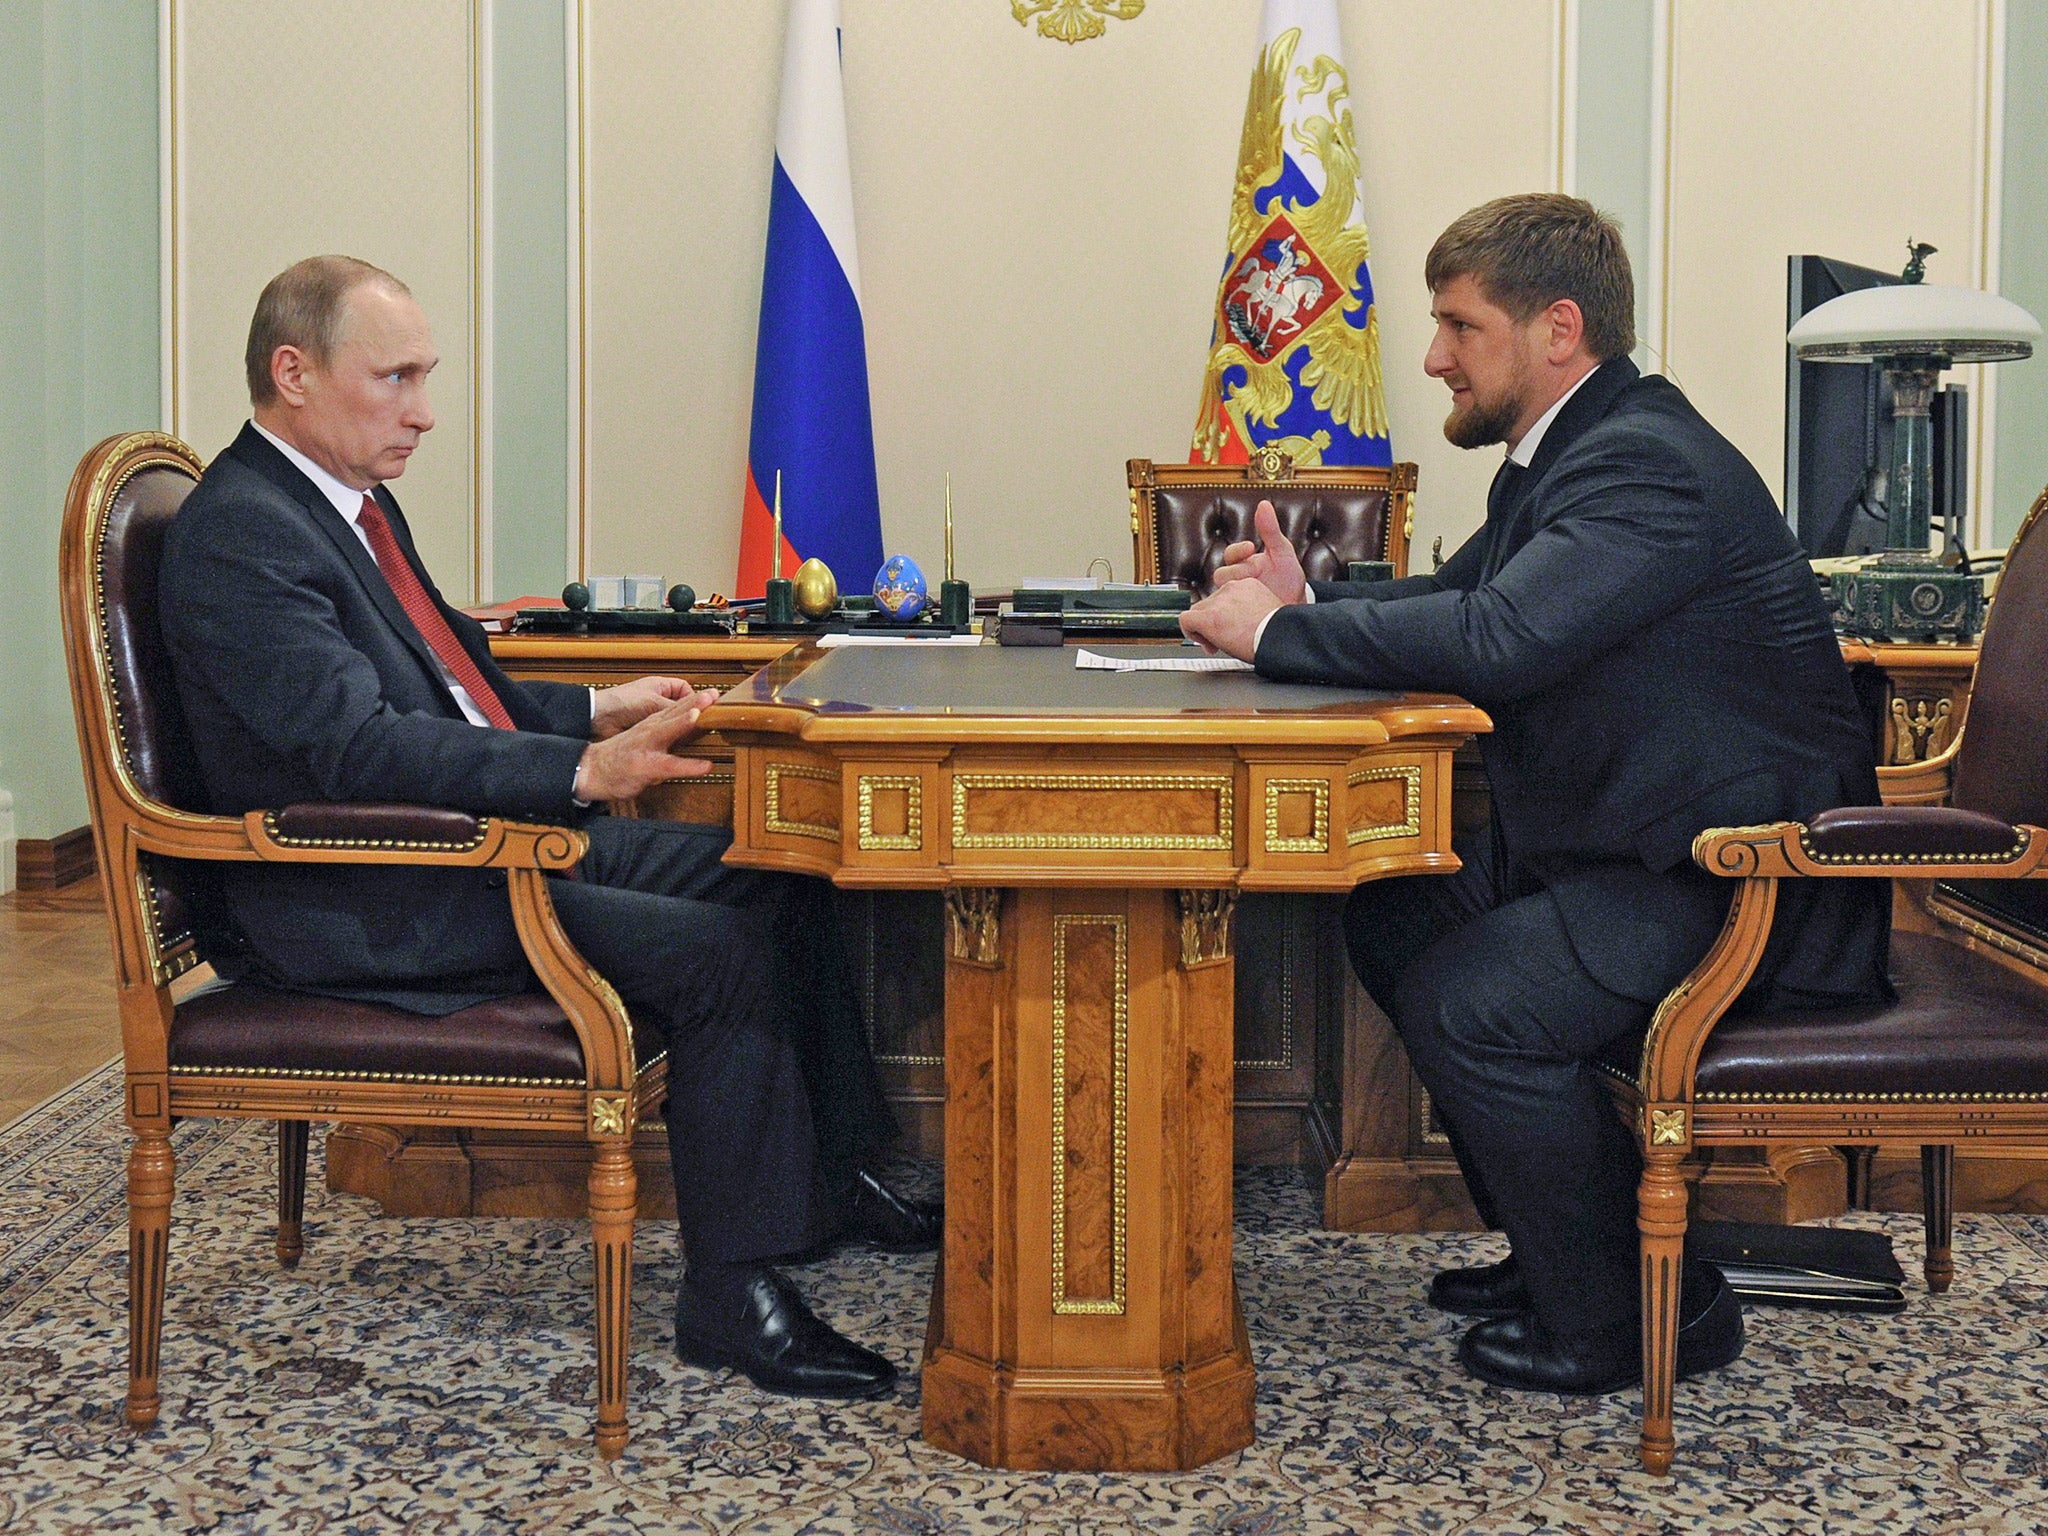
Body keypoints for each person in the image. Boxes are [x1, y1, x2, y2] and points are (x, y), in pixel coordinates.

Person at [159, 255, 940, 1403]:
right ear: (294, 373)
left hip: (457, 846)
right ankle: (733, 1294)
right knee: (717, 956)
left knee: (777, 868)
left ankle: (829, 1179)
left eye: (425, 376)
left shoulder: (346, 505)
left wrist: (592, 709)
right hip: (355, 891)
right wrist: (579, 766)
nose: (425, 410)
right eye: (396, 377)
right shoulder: (244, 535)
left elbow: (451, 684)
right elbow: (358, 748)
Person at [1180, 195, 1891, 1394]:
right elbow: (1453, 602)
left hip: (1741, 879)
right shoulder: (1569, 452)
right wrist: (1308, 602)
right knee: (1396, 914)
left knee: (1474, 1001)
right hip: (1644, 852)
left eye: (1458, 325)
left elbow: (1501, 639)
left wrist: (1278, 638)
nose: (1431, 355)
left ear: (1556, 328)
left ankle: (1627, 1318)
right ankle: (1578, 1250)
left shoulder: (1641, 463)